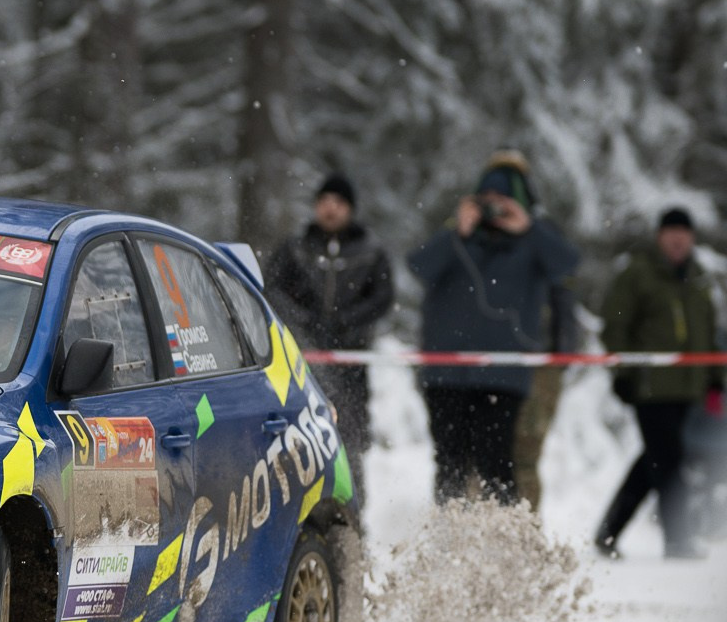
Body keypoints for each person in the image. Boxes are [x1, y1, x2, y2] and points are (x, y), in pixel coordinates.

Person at [406, 155, 581, 504]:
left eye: (503, 203)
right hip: (446, 374)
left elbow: (568, 264)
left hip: (502, 376)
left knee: (497, 463)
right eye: (487, 202)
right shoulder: (456, 236)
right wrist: (457, 230)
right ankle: (450, 540)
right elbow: (418, 266)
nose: (494, 211)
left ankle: (503, 543)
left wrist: (527, 227)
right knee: (450, 463)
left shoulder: (535, 239)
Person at [594, 208, 725, 558]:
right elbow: (615, 325)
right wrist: (622, 373)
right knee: (668, 461)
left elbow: (707, 336)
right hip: (649, 387)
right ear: (660, 236)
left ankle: (608, 532)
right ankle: (677, 540)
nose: (678, 239)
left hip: (687, 388)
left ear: (692, 238)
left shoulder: (698, 279)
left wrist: (715, 381)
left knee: (653, 462)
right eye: (671, 231)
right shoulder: (638, 274)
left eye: (684, 232)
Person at [263, 173, 393, 480]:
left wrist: (348, 323)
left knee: (349, 443)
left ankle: (352, 516)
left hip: (351, 364)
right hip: (301, 363)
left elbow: (383, 297)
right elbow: (272, 290)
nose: (330, 209)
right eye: (324, 202)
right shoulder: (296, 247)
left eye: (337, 202)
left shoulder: (369, 250)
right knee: (297, 442)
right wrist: (304, 323)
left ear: (349, 208)